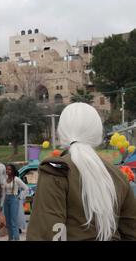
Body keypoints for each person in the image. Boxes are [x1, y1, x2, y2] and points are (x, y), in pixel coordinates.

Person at [27, 103, 136, 241]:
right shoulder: (118, 176)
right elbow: (131, 232)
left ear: (61, 132)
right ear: (98, 133)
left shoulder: (56, 171)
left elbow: (46, 232)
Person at [3, 164, 28, 241]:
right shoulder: (5, 179)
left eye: (9, 169)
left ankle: (16, 238)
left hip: (14, 199)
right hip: (6, 200)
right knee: (8, 221)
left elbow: (26, 188)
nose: (7, 171)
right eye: (7, 169)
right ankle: (10, 238)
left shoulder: (16, 179)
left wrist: (20, 197)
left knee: (14, 221)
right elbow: (3, 191)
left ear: (13, 171)